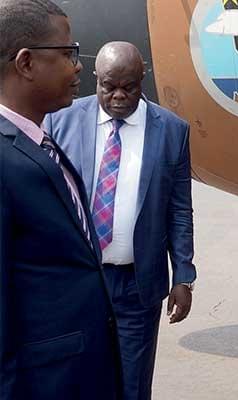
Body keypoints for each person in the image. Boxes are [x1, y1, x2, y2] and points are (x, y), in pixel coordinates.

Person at [43, 41, 196, 400]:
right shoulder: (60, 120)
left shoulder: (171, 131)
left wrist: (184, 276)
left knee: (132, 385)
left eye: (129, 87)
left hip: (136, 284)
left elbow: (179, 209)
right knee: (75, 380)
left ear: (143, 78)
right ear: (95, 78)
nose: (118, 96)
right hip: (77, 281)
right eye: (108, 87)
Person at [0, 1, 120, 398]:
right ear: (26, 63)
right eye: (67, 53)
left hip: (79, 374)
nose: (79, 64)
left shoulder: (42, 143)